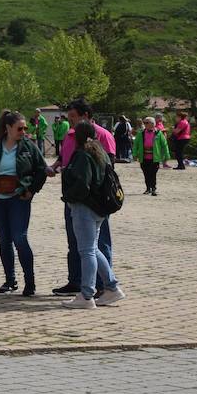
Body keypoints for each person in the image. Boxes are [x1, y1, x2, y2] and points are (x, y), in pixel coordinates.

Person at [50, 99, 116, 299]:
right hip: (73, 196)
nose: (70, 121)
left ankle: (100, 285)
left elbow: (108, 167)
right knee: (74, 241)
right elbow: (64, 158)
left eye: (73, 117)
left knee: (98, 244)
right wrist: (54, 167)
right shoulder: (71, 135)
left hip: (93, 200)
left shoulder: (103, 135)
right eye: (69, 117)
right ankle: (76, 280)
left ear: (85, 115)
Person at [0, 111, 46, 295]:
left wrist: (30, 190)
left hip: (19, 200)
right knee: (4, 240)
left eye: (25, 128)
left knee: (20, 238)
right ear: (7, 128)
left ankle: (30, 282)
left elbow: (41, 170)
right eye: (19, 128)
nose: (23, 131)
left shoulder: (29, 147)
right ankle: (10, 280)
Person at [60, 123, 127, 309]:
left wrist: (68, 197)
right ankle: (112, 287)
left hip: (85, 207)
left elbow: (83, 183)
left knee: (86, 251)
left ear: (78, 137)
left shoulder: (83, 154)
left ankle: (87, 294)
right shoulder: (100, 152)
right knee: (93, 249)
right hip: (99, 208)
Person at [134, 115, 168, 196]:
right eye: (144, 123)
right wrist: (135, 154)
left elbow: (164, 145)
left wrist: (166, 156)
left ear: (153, 124)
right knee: (146, 173)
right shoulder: (141, 133)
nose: (145, 124)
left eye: (147, 123)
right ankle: (148, 188)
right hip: (144, 157)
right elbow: (136, 145)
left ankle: (153, 188)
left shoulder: (159, 133)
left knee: (153, 174)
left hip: (154, 158)